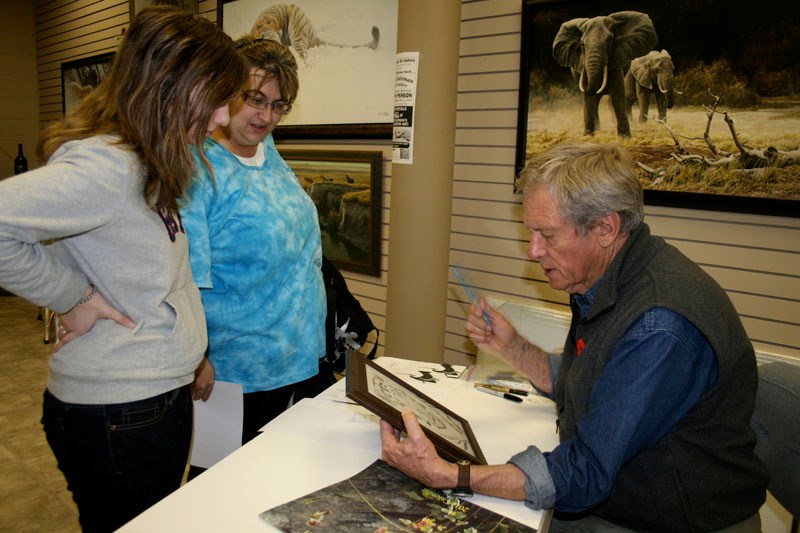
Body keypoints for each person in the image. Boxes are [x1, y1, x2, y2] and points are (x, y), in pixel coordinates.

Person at [380, 142, 768, 532]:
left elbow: (584, 474)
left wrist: (451, 475)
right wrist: (512, 348)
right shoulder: (611, 276)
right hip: (623, 498)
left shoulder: (660, 324)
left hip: (666, 519)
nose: (533, 251)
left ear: (605, 228)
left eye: (547, 235)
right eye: (531, 233)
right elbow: (594, 380)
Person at [0, 7, 247, 532]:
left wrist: (193, 354)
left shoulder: (150, 160)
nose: (224, 117)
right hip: (120, 410)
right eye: (217, 98)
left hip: (153, 394)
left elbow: (161, 279)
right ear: (173, 88)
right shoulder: (106, 167)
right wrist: (71, 295)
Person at [181, 37, 326, 449]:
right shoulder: (199, 169)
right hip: (236, 375)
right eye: (255, 100)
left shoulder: (268, 150)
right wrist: (196, 358)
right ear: (223, 92)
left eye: (279, 105)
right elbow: (185, 278)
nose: (266, 116)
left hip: (301, 358)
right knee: (227, 492)